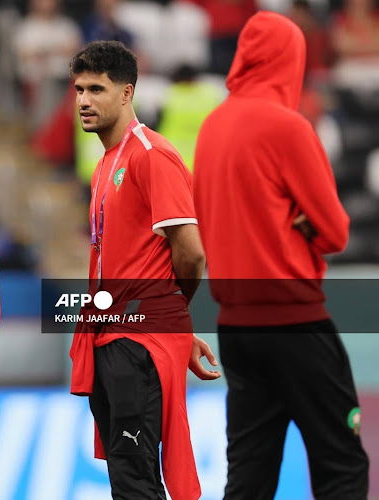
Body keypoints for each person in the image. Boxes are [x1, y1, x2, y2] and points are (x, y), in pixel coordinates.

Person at [193, 12, 369, 500]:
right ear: (291, 60)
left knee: (250, 471)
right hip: (294, 320)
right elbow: (335, 231)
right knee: (342, 461)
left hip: (235, 327)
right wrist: (304, 222)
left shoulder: (212, 127)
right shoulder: (287, 127)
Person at [67, 41, 220, 500]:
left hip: (137, 339)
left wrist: (166, 313)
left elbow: (190, 252)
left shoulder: (151, 154)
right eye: (78, 89)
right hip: (113, 336)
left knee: (135, 481)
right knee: (127, 480)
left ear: (127, 93)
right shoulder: (103, 167)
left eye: (97, 89)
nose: (83, 100)